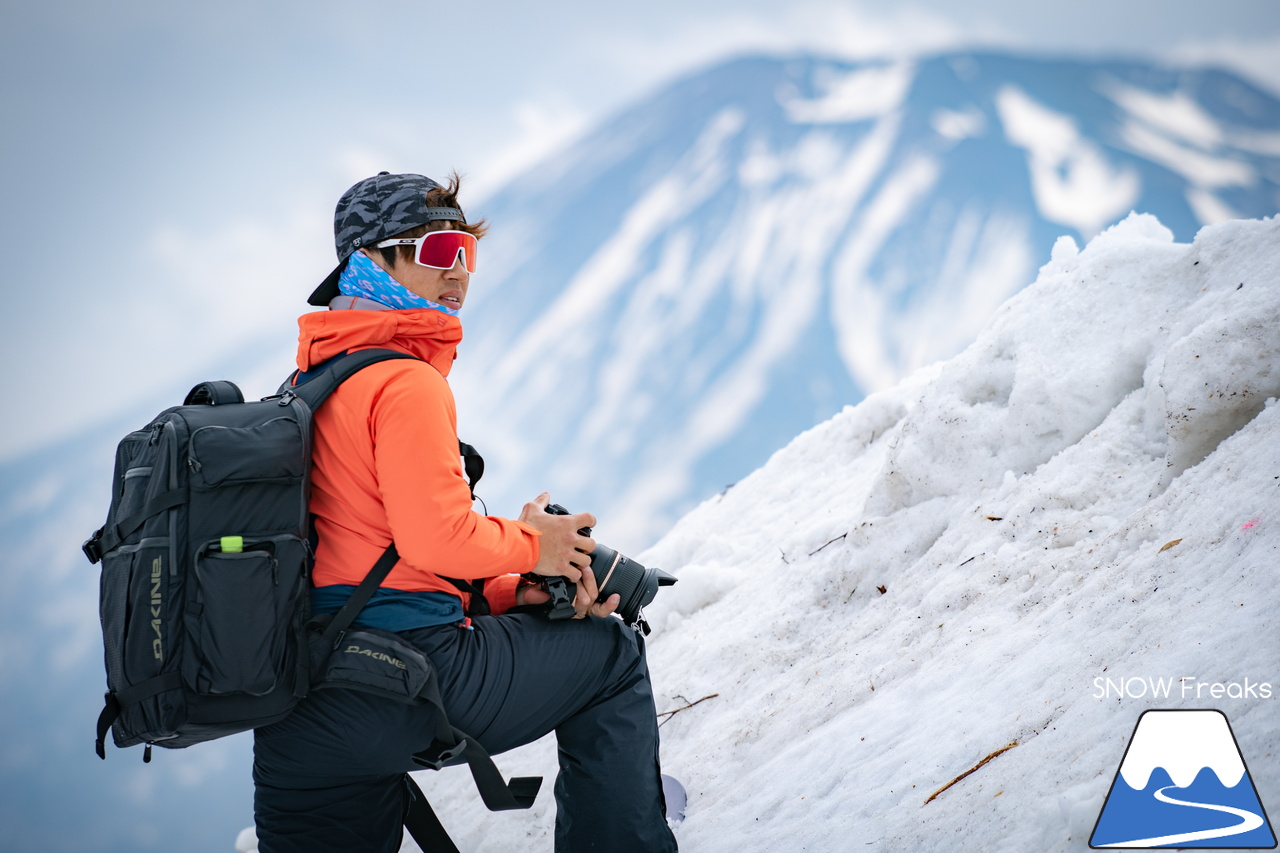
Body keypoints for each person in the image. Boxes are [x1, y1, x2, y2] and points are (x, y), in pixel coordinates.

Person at [252, 171, 678, 853]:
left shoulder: (304, 388)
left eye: (464, 251)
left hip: (300, 710)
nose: (457, 271)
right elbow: (436, 537)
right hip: (409, 676)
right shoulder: (405, 380)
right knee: (611, 656)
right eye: (434, 250)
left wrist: (511, 587)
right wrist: (537, 545)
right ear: (369, 261)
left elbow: (365, 558)